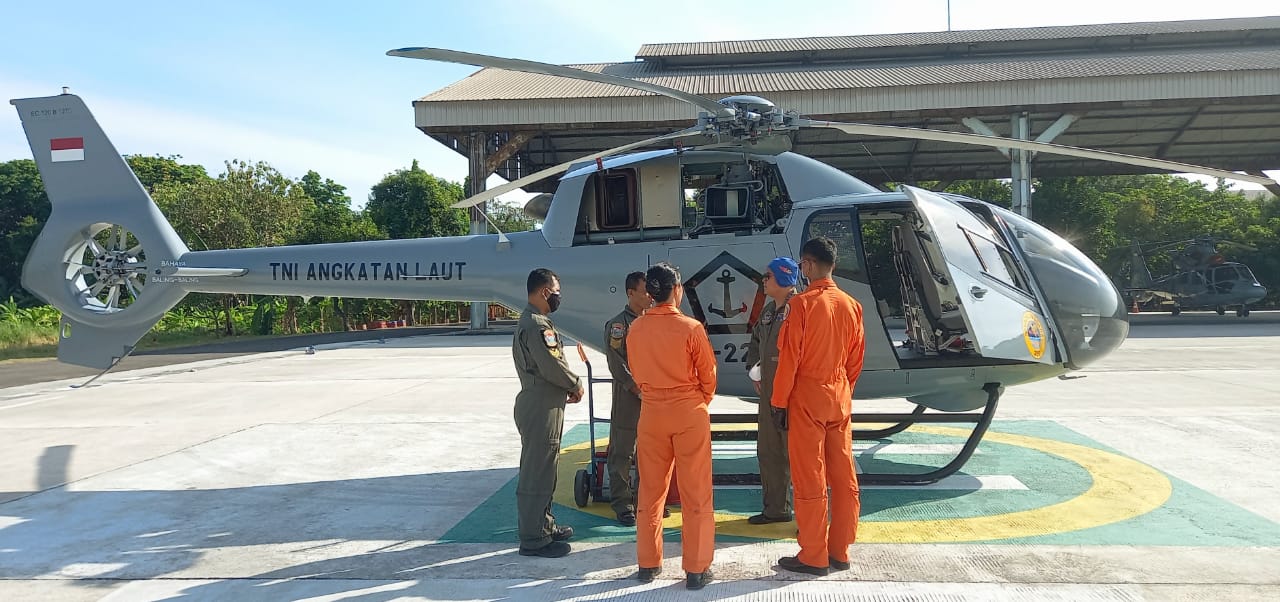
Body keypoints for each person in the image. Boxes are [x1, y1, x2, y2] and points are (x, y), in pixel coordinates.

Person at [770, 237, 866, 576]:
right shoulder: (852, 305)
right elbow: (856, 360)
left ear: (808, 266)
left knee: (810, 477)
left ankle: (813, 554)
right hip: (839, 397)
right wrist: (841, 389)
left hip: (807, 398)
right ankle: (840, 550)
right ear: (833, 264)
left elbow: (790, 360)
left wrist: (779, 402)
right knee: (843, 476)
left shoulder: (802, 305)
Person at [626, 263, 717, 590]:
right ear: (676, 290)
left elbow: (636, 372)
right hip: (688, 411)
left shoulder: (636, 328)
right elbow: (709, 376)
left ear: (650, 293)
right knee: (696, 493)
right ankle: (696, 569)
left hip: (651, 412)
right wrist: (696, 401)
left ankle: (648, 564)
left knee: (650, 492)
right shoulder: (691, 328)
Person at [511, 268, 584, 558]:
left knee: (544, 468)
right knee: (537, 473)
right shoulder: (538, 326)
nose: (558, 296)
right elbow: (551, 365)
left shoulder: (531, 322)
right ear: (544, 291)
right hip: (541, 405)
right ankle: (533, 539)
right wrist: (575, 384)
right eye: (556, 290)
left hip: (541, 402)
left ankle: (544, 525)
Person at [743, 256, 800, 526]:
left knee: (798, 457)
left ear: (784, 279)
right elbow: (755, 340)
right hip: (768, 396)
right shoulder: (769, 311)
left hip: (793, 396)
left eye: (768, 276)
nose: (763, 281)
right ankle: (776, 509)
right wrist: (754, 368)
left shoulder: (800, 309)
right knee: (769, 452)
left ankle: (808, 518)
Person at [603, 271, 649, 526]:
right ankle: (623, 503)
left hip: (653, 396)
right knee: (623, 450)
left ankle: (646, 500)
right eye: (643, 291)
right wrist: (634, 386)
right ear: (630, 293)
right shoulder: (619, 325)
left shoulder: (653, 321)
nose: (649, 296)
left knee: (650, 451)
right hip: (629, 396)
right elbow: (615, 361)